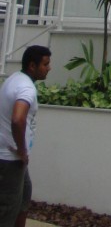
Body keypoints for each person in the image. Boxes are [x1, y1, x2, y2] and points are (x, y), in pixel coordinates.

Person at [0, 45, 52, 227]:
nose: (49, 68)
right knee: (7, 210)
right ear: (32, 65)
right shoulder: (26, 88)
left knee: (24, 196)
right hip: (10, 160)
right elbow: (18, 119)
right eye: (45, 64)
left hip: (14, 158)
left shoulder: (15, 78)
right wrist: (22, 150)